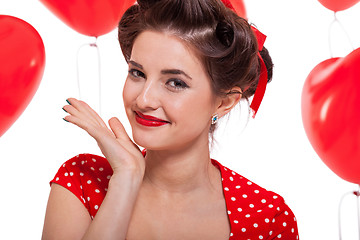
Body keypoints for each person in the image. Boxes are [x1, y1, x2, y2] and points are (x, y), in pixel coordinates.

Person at [42, 0, 299, 239]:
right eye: (137, 72)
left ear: (223, 102)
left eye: (175, 82)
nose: (144, 100)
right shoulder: (81, 181)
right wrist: (125, 182)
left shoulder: (267, 217)